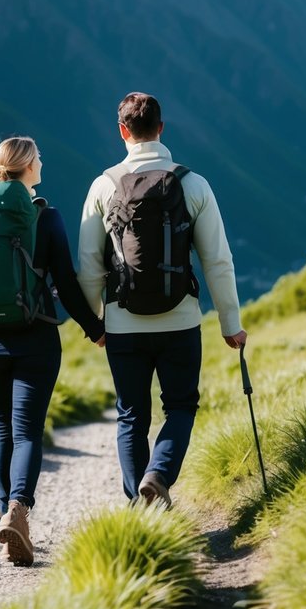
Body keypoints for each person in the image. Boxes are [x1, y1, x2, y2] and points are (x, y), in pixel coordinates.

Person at [77, 92, 247, 506]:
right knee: (182, 406)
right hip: (180, 320)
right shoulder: (192, 183)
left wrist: (95, 323)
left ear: (123, 132)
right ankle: (159, 476)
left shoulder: (103, 186)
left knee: (132, 416)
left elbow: (88, 265)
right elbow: (217, 260)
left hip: (122, 324)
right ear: (161, 128)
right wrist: (231, 324)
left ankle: (139, 506)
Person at [0, 135, 105, 565]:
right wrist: (95, 329)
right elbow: (67, 284)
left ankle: (5, 513)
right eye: (38, 159)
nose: (42, 163)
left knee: (1, 430)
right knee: (28, 431)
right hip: (35, 340)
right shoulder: (45, 218)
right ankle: (18, 509)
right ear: (28, 167)